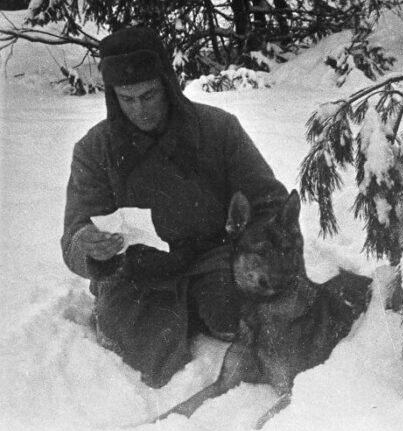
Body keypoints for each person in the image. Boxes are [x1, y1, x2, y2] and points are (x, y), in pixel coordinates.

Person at [61, 27, 288, 388]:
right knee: (138, 358)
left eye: (149, 95)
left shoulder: (218, 129)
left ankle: (203, 311)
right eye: (127, 99)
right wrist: (92, 247)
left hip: (213, 261)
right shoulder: (94, 149)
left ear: (167, 84)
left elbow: (270, 203)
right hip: (137, 276)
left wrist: (255, 246)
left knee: (251, 315)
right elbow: (74, 237)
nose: (140, 110)